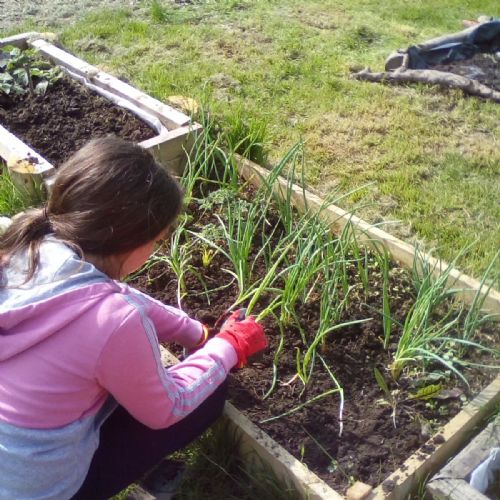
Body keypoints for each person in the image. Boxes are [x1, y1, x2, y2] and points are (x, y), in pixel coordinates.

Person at [0, 136, 268, 500]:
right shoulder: (114, 321)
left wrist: (198, 334)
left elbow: (104, 296)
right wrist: (227, 348)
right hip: (37, 490)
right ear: (134, 240)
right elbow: (166, 407)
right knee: (206, 393)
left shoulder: (27, 246)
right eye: (158, 240)